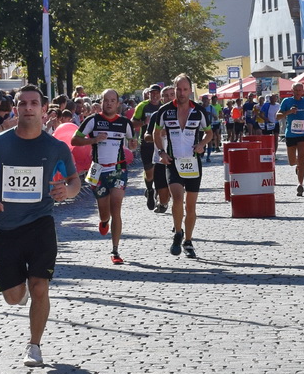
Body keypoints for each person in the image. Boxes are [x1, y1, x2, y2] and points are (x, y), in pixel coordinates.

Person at [0, 84, 81, 367]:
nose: (27, 108)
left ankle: (34, 346)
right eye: (22, 103)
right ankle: (18, 290)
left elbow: (74, 181)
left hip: (41, 223)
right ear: (15, 108)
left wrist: (68, 191)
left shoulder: (56, 147)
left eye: (33, 103)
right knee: (13, 297)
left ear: (43, 108)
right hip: (7, 227)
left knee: (40, 287)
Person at [73, 89, 138, 265]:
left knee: (116, 207)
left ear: (118, 103)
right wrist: (92, 140)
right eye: (106, 100)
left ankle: (115, 250)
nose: (109, 103)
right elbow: (74, 140)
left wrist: (133, 144)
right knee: (104, 212)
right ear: (101, 102)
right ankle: (104, 221)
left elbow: (132, 144)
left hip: (118, 170)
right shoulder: (92, 121)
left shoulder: (125, 123)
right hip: (98, 171)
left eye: (112, 100)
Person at [153, 73, 213, 259]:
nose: (181, 93)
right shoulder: (164, 110)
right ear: (174, 89)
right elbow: (156, 134)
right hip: (173, 162)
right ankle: (177, 232)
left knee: (191, 206)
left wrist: (202, 144)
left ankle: (188, 240)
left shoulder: (199, 111)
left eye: (185, 89)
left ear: (190, 90)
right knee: (177, 198)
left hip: (193, 163)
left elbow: (209, 133)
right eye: (178, 89)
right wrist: (161, 153)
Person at [133, 84, 166, 213]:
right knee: (149, 172)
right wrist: (143, 123)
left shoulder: (164, 106)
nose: (154, 95)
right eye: (152, 93)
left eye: (157, 93)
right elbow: (133, 122)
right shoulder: (142, 106)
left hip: (160, 143)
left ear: (160, 95)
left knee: (159, 172)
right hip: (146, 143)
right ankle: (150, 190)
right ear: (149, 94)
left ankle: (159, 196)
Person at [277, 82, 304, 196]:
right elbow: (278, 116)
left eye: (300, 90)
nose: (298, 92)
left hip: (303, 134)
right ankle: (297, 166)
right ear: (292, 91)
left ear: (303, 91)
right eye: (296, 90)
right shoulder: (286, 101)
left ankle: (300, 184)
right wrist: (289, 112)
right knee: (292, 162)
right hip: (291, 135)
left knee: (302, 159)